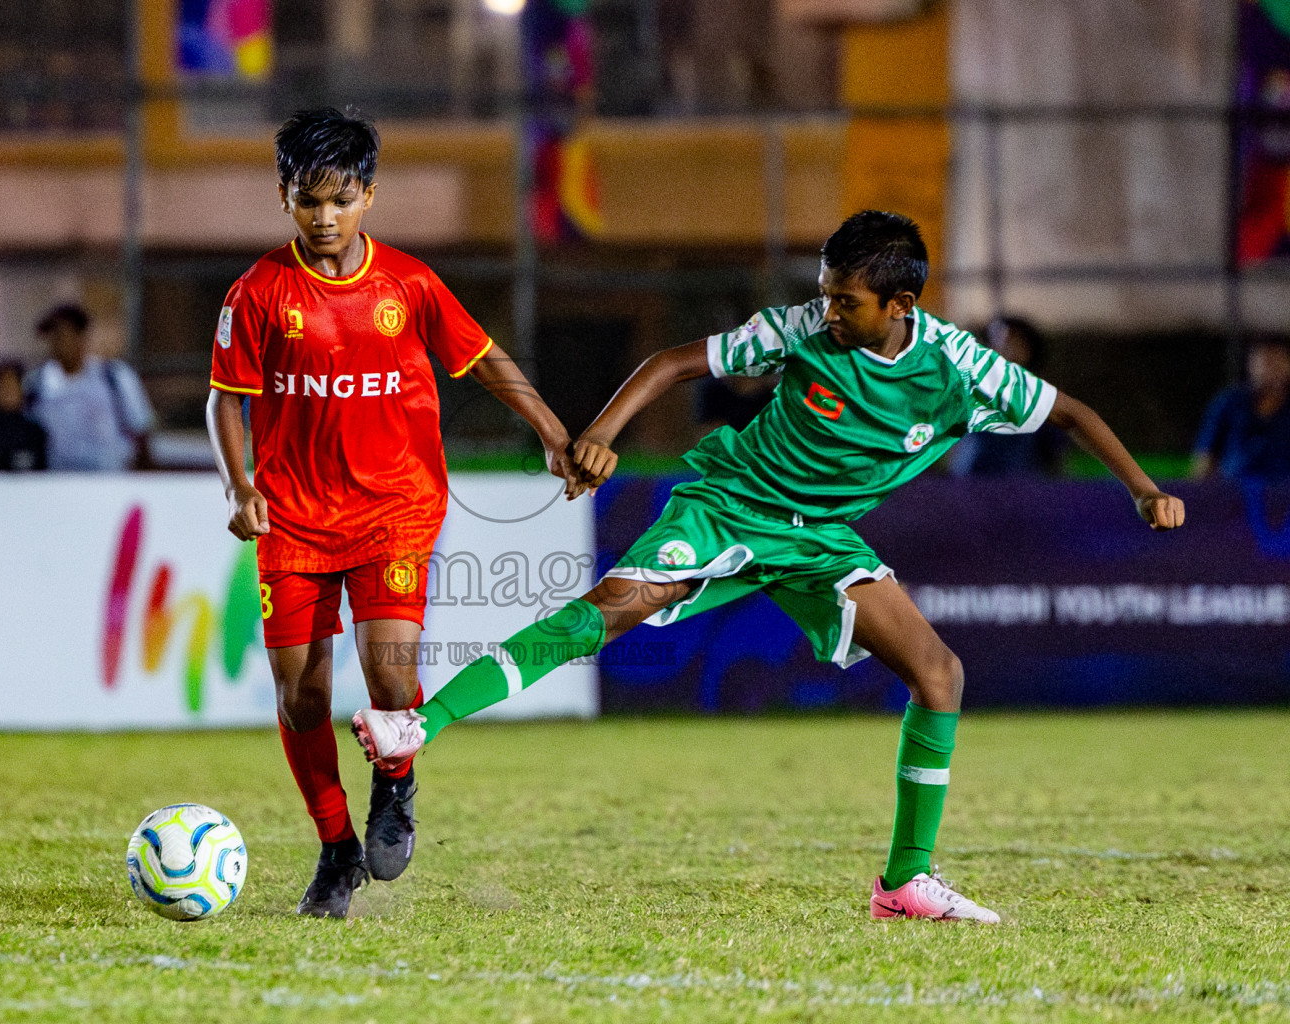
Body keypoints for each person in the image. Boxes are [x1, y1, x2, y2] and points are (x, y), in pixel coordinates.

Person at [353, 210, 1186, 924]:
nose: (826, 311)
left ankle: (904, 883)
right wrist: (601, 433)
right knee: (609, 612)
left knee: (940, 673)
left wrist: (1145, 490)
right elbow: (676, 361)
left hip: (821, 537)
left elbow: (1070, 412)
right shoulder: (799, 331)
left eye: (844, 300)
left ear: (900, 304)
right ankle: (415, 727)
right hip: (731, 506)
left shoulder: (960, 372)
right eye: (823, 292)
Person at [203, 108, 578, 918]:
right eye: (309, 201)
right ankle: (336, 848)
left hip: (395, 510)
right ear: (284, 198)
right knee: (301, 694)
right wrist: (240, 488)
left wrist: (553, 434)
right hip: (294, 520)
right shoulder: (259, 293)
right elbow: (223, 401)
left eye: (341, 200)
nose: (325, 218)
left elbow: (484, 363)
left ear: (369, 196)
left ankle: (395, 786)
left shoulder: (407, 285)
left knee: (392, 675)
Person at [25, 303, 155, 471]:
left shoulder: (114, 377)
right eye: (50, 337)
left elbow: (141, 430)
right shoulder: (36, 384)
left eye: (62, 335)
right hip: (57, 485)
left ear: (82, 336)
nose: (55, 343)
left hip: (109, 483)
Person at [947, 315, 1065, 477]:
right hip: (970, 488)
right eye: (996, 340)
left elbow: (1054, 453)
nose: (1003, 347)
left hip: (1021, 489)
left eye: (1012, 341)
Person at [1191, 334, 1290, 482]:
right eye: (1264, 362)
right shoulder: (1229, 402)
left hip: (1282, 494)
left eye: (1277, 362)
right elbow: (1205, 457)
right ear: (1251, 365)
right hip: (1234, 492)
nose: (1269, 370)